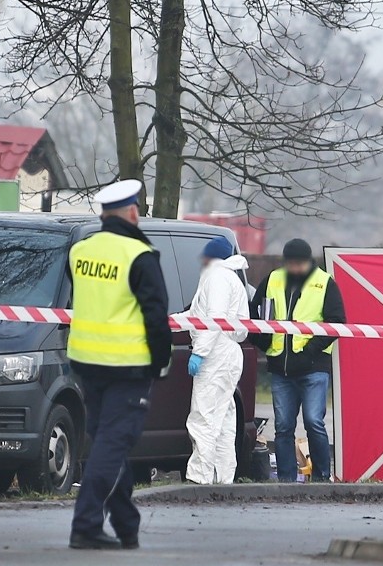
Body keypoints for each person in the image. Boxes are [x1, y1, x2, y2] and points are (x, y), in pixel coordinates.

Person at [67, 179, 172, 551]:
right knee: (112, 445)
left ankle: (127, 526)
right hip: (127, 366)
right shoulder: (140, 255)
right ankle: (86, 524)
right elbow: (156, 315)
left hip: (86, 363)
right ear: (132, 213)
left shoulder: (80, 250)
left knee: (108, 445)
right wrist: (161, 362)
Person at [249, 239, 345, 482]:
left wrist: (309, 351)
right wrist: (263, 342)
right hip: (281, 368)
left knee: (314, 422)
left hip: (314, 368)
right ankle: (286, 481)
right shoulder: (272, 279)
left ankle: (323, 478)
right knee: (283, 428)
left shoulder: (324, 283)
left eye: (298, 264)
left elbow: (336, 323)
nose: (294, 268)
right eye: (290, 263)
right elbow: (253, 315)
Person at [184, 236, 250, 484]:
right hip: (229, 351)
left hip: (216, 353)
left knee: (203, 416)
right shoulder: (230, 278)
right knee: (223, 420)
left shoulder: (217, 277)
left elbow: (214, 319)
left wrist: (200, 352)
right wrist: (173, 320)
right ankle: (223, 478)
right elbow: (198, 314)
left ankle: (199, 478)